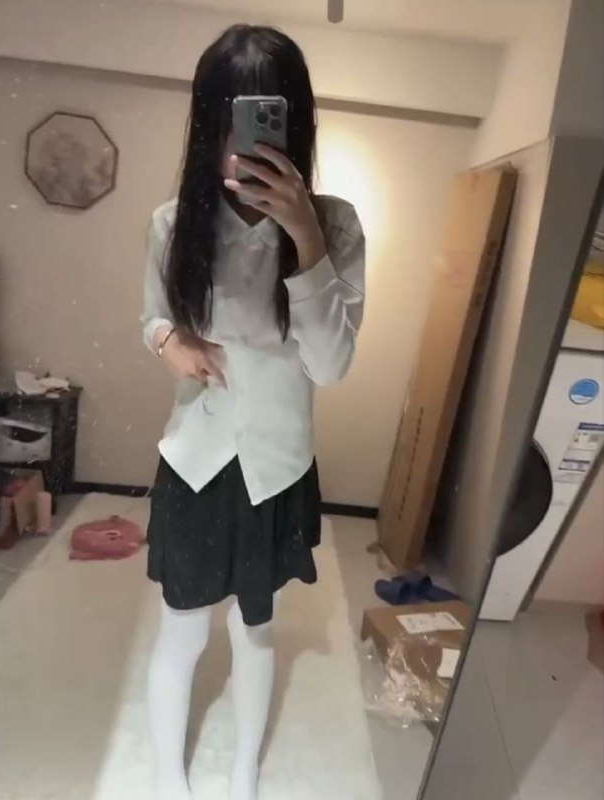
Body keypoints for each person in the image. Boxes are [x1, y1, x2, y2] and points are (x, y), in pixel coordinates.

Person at [141, 23, 365, 800]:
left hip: (278, 464)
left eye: (264, 120)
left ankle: (242, 774)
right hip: (196, 458)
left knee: (255, 631)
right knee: (182, 628)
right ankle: (168, 776)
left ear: (294, 125)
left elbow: (331, 365)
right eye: (226, 121)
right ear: (206, 125)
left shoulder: (336, 226)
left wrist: (305, 237)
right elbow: (152, 316)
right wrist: (167, 340)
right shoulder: (173, 224)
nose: (241, 144)